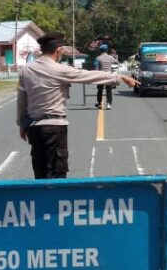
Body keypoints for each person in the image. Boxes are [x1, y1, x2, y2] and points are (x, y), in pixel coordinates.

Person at [17, 33, 138, 179]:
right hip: (54, 128)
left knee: (40, 171)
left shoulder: (26, 70)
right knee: (57, 173)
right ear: (58, 50)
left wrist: (22, 125)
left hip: (34, 128)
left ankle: (42, 193)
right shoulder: (59, 69)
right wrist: (119, 77)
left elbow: (22, 100)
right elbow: (88, 76)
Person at [94, 44, 120, 110]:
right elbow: (117, 62)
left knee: (100, 90)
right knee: (109, 90)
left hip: (101, 75)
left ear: (100, 50)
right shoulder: (110, 57)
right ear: (106, 50)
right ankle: (109, 104)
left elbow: (96, 67)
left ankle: (99, 103)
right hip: (109, 75)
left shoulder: (98, 58)